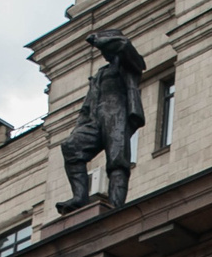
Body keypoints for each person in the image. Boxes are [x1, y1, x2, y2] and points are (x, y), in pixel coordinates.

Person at [56, 30, 147, 212]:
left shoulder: (128, 64)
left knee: (117, 160)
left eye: (105, 48)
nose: (103, 53)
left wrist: (100, 40)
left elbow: (124, 45)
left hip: (117, 113)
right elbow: (87, 104)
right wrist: (80, 125)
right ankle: (80, 198)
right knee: (71, 147)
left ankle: (115, 206)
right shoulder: (100, 73)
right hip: (94, 118)